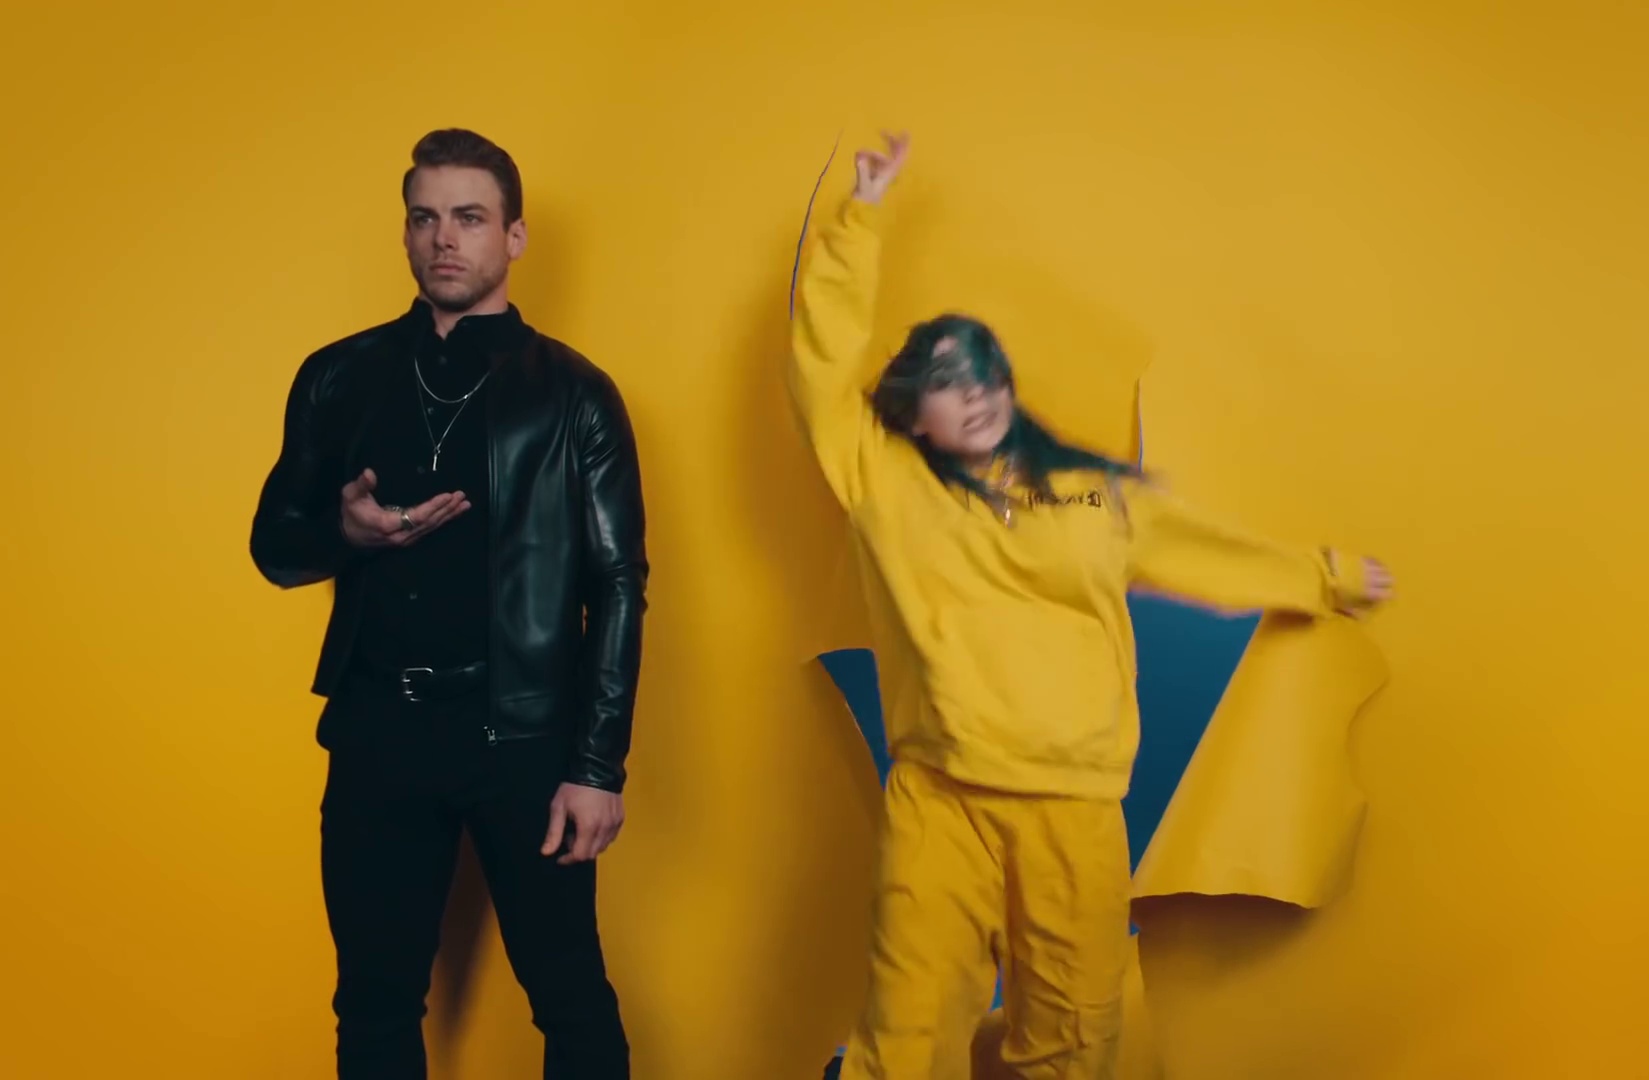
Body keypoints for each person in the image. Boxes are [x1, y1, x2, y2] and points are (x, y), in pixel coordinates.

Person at [789, 132, 1394, 1080]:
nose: (975, 393)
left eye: (985, 371)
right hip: (942, 799)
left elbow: (1198, 549)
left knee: (1074, 1037)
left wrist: (1322, 576)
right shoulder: (882, 478)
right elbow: (820, 366)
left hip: (1074, 805)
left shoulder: (1085, 493)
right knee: (906, 1029)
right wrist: (859, 218)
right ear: (911, 412)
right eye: (946, 382)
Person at [248, 128, 645, 1079]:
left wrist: (596, 766)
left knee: (571, 999)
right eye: (424, 218)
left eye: (469, 217)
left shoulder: (576, 395)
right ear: (405, 233)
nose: (444, 238)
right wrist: (346, 534)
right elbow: (275, 548)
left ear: (514, 236)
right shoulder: (339, 376)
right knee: (374, 1002)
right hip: (379, 729)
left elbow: (618, 585)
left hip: (525, 742)